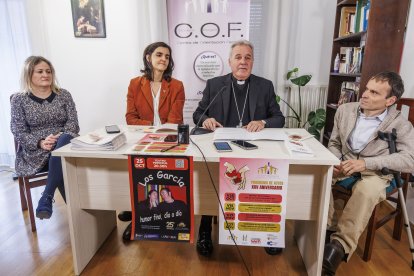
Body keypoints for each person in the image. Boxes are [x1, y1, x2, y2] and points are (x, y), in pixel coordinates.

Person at [192, 40, 285, 256]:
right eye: (238, 57)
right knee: (209, 180)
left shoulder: (265, 85)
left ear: (252, 61)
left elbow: (278, 118)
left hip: (253, 149)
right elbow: (198, 114)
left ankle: (266, 232)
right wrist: (206, 120)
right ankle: (205, 227)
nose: (243, 62)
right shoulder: (215, 84)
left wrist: (263, 123)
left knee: (263, 181)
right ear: (230, 61)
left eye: (247, 57)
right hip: (220, 147)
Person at [323, 72, 414, 275]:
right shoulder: (345, 110)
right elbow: (335, 143)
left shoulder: (401, 125)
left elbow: (410, 160)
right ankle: (325, 228)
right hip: (345, 164)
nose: (364, 94)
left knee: (366, 191)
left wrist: (366, 163)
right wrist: (335, 161)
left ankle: (338, 247)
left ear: (390, 100)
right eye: (366, 89)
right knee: (320, 176)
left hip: (378, 173)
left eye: (374, 92)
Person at [120, 41, 185, 241]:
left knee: (159, 175)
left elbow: (175, 120)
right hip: (141, 140)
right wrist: (153, 129)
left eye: (167, 56)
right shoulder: (134, 84)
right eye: (159, 55)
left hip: (168, 141)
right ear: (148, 57)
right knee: (140, 176)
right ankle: (140, 216)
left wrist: (155, 133)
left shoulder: (176, 86)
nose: (163, 59)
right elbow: (130, 118)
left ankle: (159, 214)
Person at [10, 56, 80, 219]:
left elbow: (73, 123)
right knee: (62, 159)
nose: (45, 75)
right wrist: (40, 142)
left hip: (64, 142)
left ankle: (46, 197)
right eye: (40, 71)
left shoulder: (64, 95)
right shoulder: (19, 99)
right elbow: (18, 130)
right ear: (29, 74)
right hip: (36, 151)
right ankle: (78, 214)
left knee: (64, 142)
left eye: (48, 71)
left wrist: (58, 138)